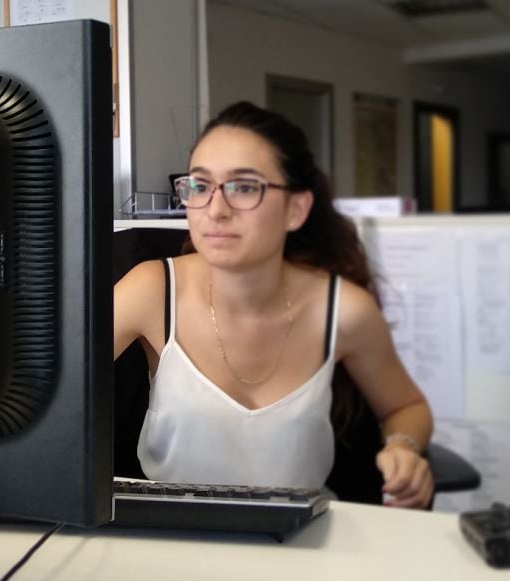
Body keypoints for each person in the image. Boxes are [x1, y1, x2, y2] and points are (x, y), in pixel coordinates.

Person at [114, 101, 434, 508]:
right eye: (199, 186)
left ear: (296, 209)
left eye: (244, 187)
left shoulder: (343, 310)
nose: (215, 209)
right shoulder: (152, 289)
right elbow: (44, 386)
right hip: (174, 538)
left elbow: (406, 406)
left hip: (300, 539)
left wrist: (405, 448)